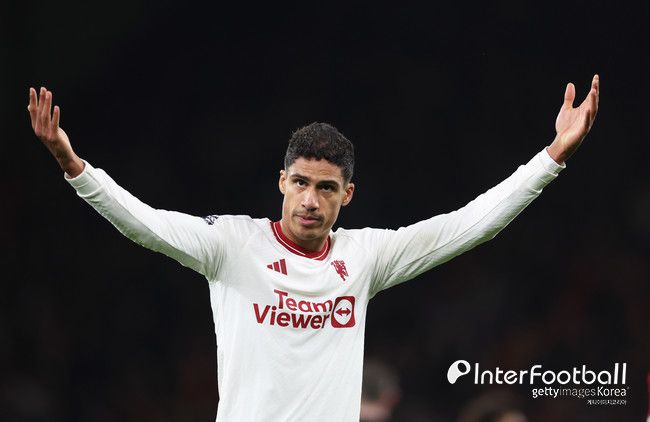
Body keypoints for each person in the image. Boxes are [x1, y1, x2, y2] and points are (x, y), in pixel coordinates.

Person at [27, 75, 599, 421]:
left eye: (326, 188)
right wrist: (72, 164)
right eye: (300, 182)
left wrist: (552, 157)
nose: (310, 199)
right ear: (282, 182)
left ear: (347, 195)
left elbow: (467, 226)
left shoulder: (365, 258)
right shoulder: (232, 245)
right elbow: (143, 224)